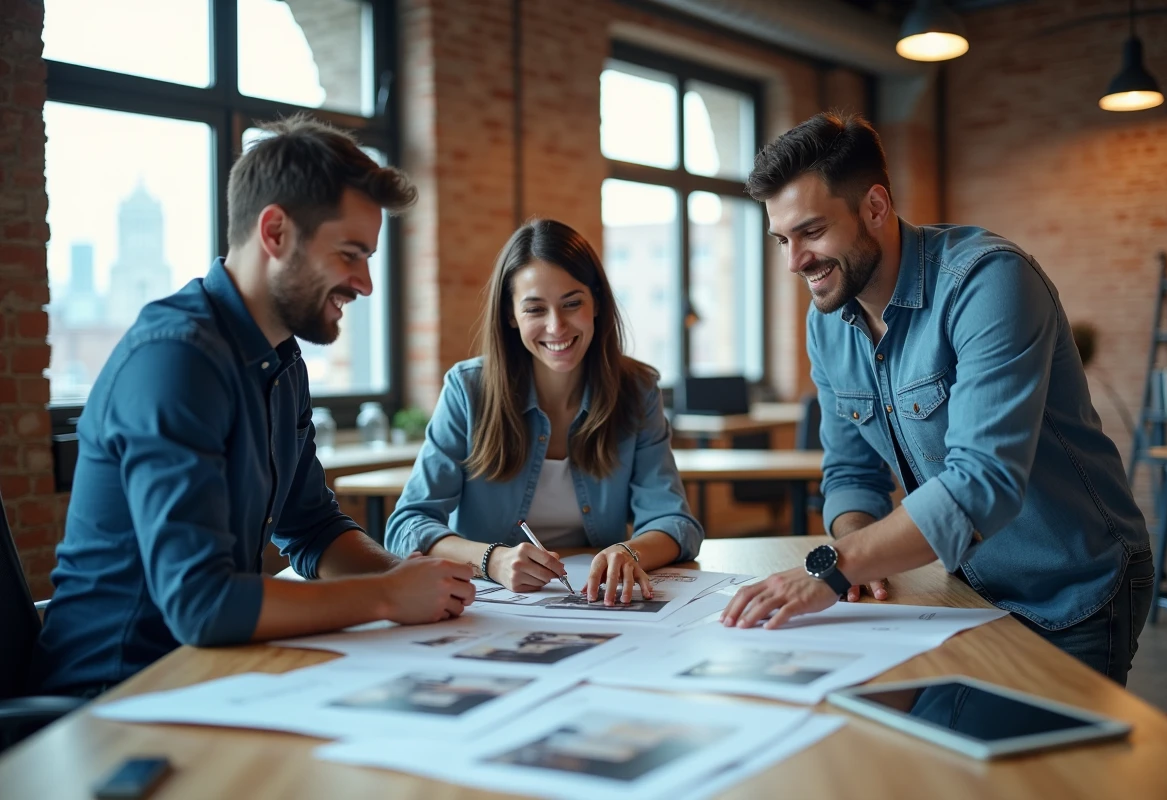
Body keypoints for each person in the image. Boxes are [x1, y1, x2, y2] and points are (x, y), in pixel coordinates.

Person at [32, 115, 475, 698]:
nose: (365, 284)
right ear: (275, 233)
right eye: (350, 254)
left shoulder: (281, 358)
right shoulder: (176, 359)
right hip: (113, 698)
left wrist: (409, 577)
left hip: (213, 675)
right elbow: (202, 604)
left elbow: (312, 528)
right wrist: (388, 596)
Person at [721, 112, 1153, 686]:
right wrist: (858, 557)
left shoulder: (988, 280)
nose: (793, 261)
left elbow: (983, 481)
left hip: (1073, 589)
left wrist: (832, 568)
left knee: (1041, 772)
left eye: (812, 232)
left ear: (875, 207)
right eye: (782, 239)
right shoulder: (827, 321)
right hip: (963, 589)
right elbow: (851, 472)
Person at [387, 219, 701, 605]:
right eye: (535, 308)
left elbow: (675, 523)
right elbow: (407, 526)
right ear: (510, 315)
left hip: (597, 605)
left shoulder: (637, 391)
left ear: (597, 303)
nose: (556, 327)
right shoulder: (468, 390)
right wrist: (493, 560)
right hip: (490, 610)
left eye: (572, 303)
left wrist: (630, 551)